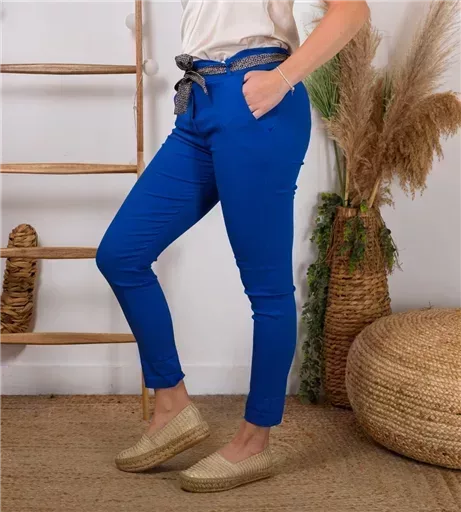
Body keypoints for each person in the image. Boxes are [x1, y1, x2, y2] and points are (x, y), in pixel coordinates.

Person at [96, 0, 370, 493]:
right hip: (197, 103)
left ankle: (254, 441)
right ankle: (171, 406)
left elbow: (351, 11)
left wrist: (282, 79)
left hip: (257, 102)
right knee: (121, 254)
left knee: (266, 289)